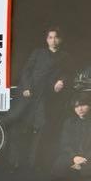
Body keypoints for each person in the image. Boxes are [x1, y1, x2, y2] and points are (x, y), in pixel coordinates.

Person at [13, 26, 73, 171]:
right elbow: (26, 71)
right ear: (46, 40)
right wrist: (26, 87)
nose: (53, 40)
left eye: (56, 37)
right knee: (23, 127)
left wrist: (62, 80)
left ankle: (36, 163)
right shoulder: (38, 53)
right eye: (50, 37)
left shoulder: (65, 56)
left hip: (49, 97)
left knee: (43, 127)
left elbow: (69, 72)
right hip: (31, 95)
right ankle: (16, 162)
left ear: (61, 39)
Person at [51, 98, 91, 181]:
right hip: (71, 155)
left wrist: (85, 158)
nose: (80, 109)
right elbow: (65, 143)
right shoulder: (69, 122)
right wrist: (74, 157)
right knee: (59, 171)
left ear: (90, 106)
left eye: (83, 105)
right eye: (76, 106)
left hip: (90, 156)